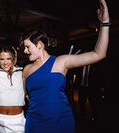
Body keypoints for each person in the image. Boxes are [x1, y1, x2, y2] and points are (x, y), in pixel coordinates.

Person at [20, 0, 110, 132]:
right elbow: (25, 96)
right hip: (35, 122)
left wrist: (105, 23)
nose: (25, 51)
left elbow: (99, 54)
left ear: (39, 44)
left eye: (27, 47)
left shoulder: (62, 62)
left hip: (61, 121)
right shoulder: (26, 70)